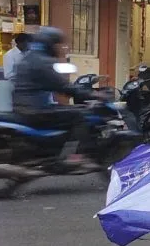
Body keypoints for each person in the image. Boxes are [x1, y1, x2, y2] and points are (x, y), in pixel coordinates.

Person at [13, 27, 96, 164]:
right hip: (35, 111)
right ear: (50, 44)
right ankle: (75, 156)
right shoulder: (42, 61)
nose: (60, 48)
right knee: (80, 115)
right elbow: (62, 86)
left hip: (23, 108)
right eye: (58, 44)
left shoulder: (28, 57)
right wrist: (91, 94)